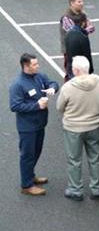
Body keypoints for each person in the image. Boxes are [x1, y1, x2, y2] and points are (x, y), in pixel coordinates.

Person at [56, 56, 99, 201]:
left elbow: (60, 107)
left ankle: (75, 189)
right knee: (95, 158)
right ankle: (97, 188)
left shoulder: (68, 88)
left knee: (74, 160)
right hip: (95, 125)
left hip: (73, 128)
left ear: (76, 70)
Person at [9, 53, 59, 196]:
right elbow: (15, 106)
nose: (38, 66)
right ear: (26, 66)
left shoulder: (39, 76)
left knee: (36, 152)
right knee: (27, 155)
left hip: (40, 124)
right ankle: (26, 185)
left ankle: (30, 176)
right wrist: (36, 105)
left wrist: (52, 88)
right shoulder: (18, 85)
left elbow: (52, 82)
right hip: (27, 127)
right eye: (35, 64)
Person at [60, 0, 95, 81]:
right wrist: (84, 31)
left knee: (84, 69)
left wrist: (82, 31)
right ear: (72, 3)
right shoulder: (66, 17)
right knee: (70, 71)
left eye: (82, 1)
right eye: (79, 2)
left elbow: (92, 28)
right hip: (69, 49)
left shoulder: (83, 14)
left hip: (82, 47)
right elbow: (73, 34)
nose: (82, 3)